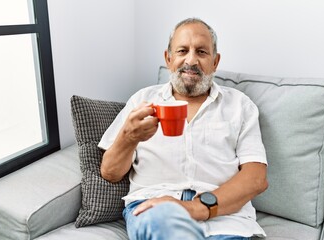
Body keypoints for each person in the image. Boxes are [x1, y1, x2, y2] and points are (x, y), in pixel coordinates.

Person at [98, 18, 268, 240]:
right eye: (182, 51)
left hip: (225, 217)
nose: (191, 60)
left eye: (201, 52)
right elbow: (110, 173)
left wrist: (195, 208)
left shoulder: (240, 105)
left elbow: (256, 178)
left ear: (215, 62)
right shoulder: (142, 100)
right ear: (168, 59)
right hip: (156, 212)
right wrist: (128, 138)